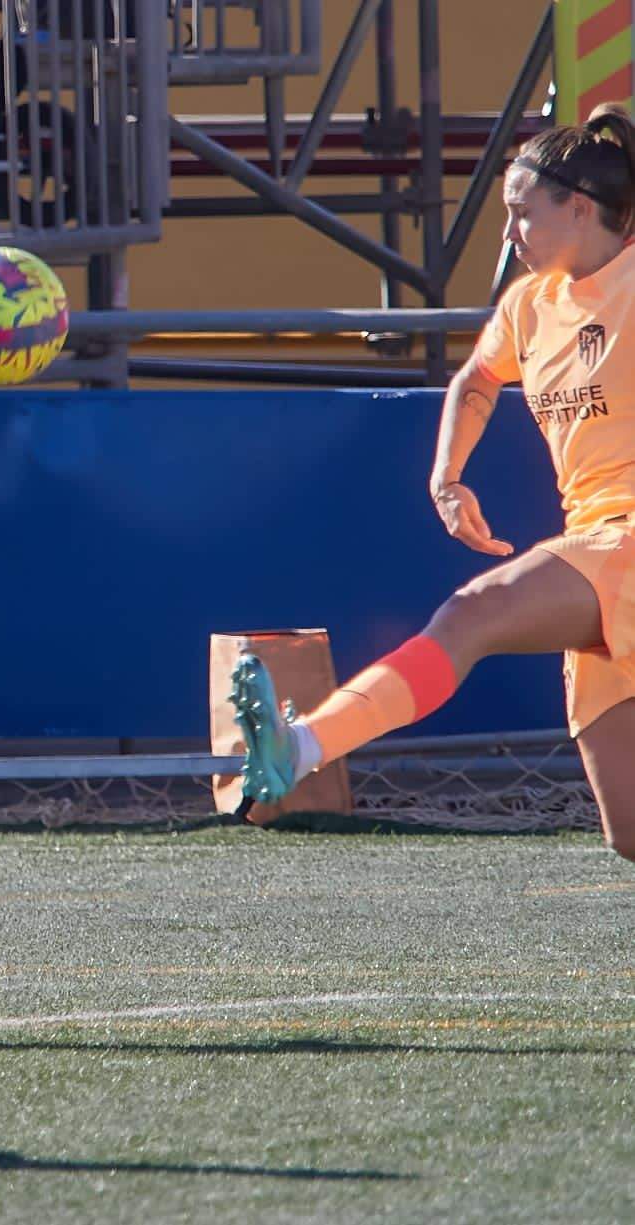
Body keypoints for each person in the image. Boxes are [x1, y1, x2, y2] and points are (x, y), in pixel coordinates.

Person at [232, 104, 635, 856]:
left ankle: (303, 745)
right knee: (630, 833)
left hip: (625, 542)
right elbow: (477, 381)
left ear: (580, 209)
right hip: (594, 541)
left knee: (468, 615)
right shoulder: (530, 305)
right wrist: (448, 477)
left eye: (521, 214)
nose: (509, 234)